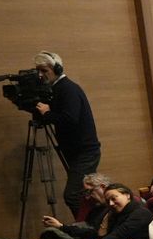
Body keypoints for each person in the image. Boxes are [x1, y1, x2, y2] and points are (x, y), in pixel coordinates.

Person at [32, 51, 102, 215]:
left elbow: (70, 119)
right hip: (76, 152)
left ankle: (87, 228)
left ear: (56, 68)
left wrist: (48, 114)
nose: (40, 75)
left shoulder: (68, 89)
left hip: (85, 152)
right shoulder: (56, 89)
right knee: (86, 195)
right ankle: (93, 225)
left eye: (44, 70)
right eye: (38, 71)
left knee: (72, 195)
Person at [72, 184, 153, 239]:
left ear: (127, 195)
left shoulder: (140, 213)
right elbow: (101, 235)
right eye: (108, 201)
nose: (111, 203)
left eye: (114, 198)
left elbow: (116, 236)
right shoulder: (116, 213)